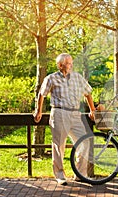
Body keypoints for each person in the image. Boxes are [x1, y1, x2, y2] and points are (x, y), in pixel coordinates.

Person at [33, 53, 96, 185]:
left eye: (71, 62)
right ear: (60, 65)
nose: (71, 65)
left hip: (75, 114)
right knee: (59, 145)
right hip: (59, 113)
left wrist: (92, 109)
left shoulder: (78, 77)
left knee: (84, 142)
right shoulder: (51, 78)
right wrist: (38, 111)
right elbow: (41, 94)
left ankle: (80, 174)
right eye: (68, 63)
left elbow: (88, 93)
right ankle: (60, 175)